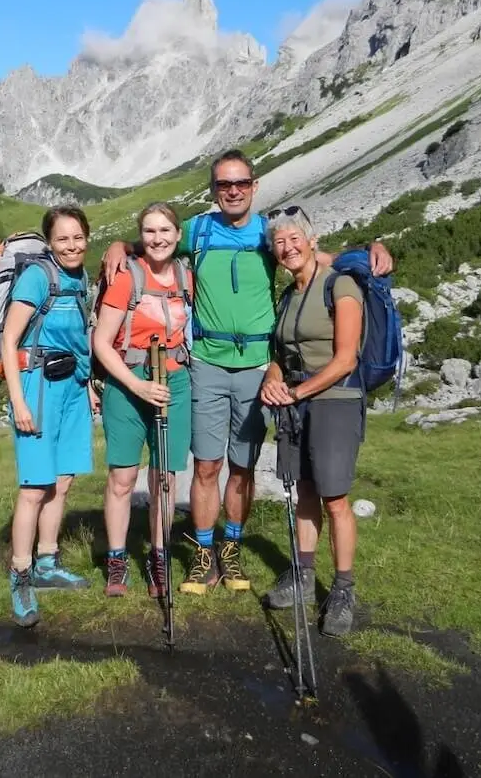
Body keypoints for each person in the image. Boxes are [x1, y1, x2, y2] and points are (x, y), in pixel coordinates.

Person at [101, 149, 392, 597]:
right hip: (207, 364)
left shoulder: (268, 235)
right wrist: (118, 246)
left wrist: (370, 251)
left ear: (254, 187)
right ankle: (203, 556)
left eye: (240, 183)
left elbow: (316, 258)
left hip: (257, 366)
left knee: (243, 466)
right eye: (223, 185)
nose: (232, 191)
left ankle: (231, 548)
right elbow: (151, 245)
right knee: (206, 465)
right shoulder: (196, 230)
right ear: (214, 190)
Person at [259, 204, 364, 637]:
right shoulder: (288, 297)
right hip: (296, 400)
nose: (287, 248)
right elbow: (281, 356)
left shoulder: (341, 286)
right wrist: (272, 377)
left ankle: (342, 589)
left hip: (335, 400)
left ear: (312, 240)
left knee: (334, 497)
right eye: (279, 243)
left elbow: (344, 360)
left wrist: (297, 392)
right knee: (303, 491)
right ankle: (302, 577)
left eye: (293, 239)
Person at [2, 205, 100, 628]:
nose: (72, 245)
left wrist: (90, 386)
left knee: (62, 482)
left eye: (78, 237)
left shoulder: (81, 279)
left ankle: (47, 563)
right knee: (34, 487)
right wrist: (19, 404)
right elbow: (9, 341)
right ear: (50, 242)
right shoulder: (37, 277)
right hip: (37, 388)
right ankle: (20, 575)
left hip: (74, 388)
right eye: (63, 238)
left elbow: (82, 337)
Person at [91, 202, 193, 598]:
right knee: (123, 477)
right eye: (149, 231)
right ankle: (117, 560)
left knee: (165, 478)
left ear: (178, 234)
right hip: (128, 383)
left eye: (165, 230)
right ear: (141, 235)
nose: (158, 238)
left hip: (175, 383)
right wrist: (137, 387)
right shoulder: (126, 278)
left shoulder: (186, 275)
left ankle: (159, 556)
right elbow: (102, 342)